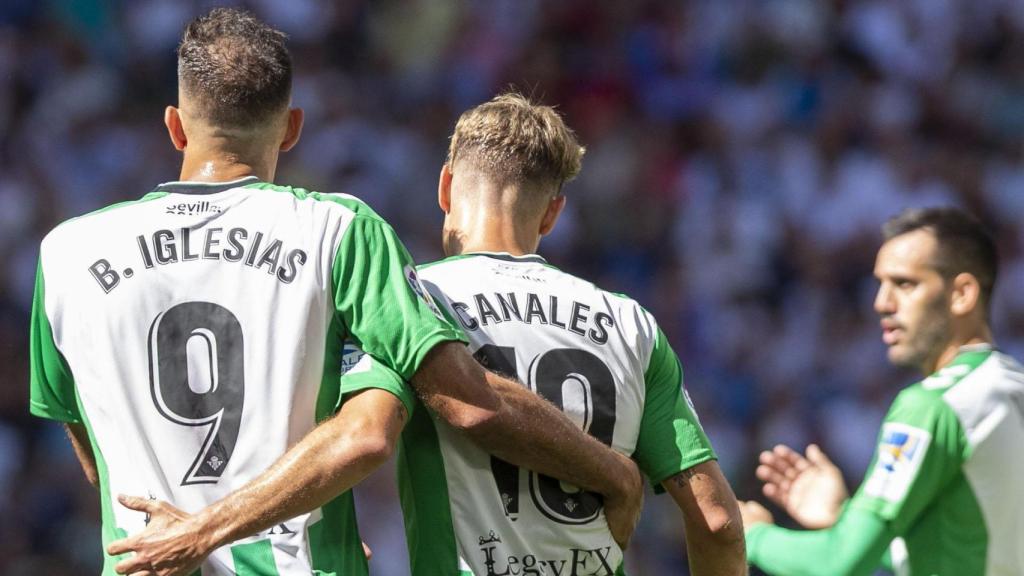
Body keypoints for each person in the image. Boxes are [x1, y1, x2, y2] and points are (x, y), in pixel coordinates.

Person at [29, 10, 641, 576]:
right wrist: (613, 472)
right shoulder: (340, 231)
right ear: (293, 128)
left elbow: (93, 448)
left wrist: (193, 531)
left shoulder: (64, 253)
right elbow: (435, 413)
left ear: (174, 126)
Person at [111, 93, 747, 576]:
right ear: (553, 211)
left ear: (445, 187)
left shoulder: (412, 303)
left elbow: (359, 437)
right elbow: (717, 522)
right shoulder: (632, 324)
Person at [740, 207, 1024, 575]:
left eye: (905, 284)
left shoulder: (933, 406)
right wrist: (845, 518)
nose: (881, 303)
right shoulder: (1010, 384)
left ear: (962, 294)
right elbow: (964, 547)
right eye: (880, 283)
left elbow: (837, 564)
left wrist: (753, 535)